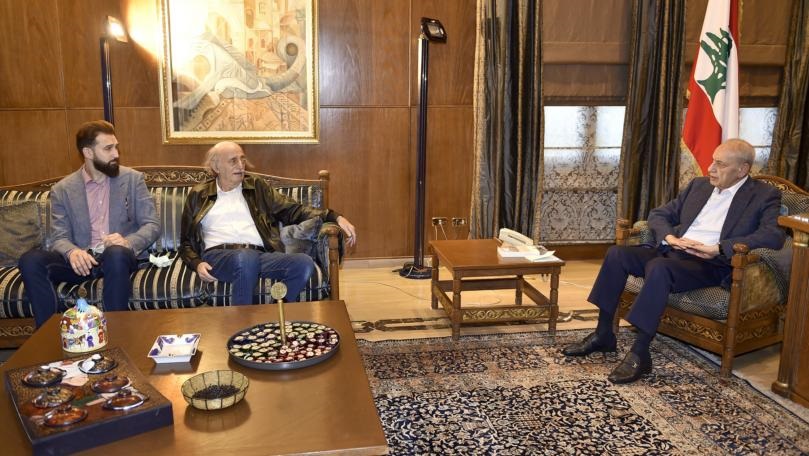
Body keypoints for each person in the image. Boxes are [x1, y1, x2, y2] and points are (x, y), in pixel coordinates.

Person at [562, 138, 785, 384]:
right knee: (617, 254)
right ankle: (603, 334)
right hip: (673, 251)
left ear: (742, 169)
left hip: (709, 263)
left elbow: (773, 236)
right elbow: (659, 214)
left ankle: (640, 352)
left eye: (720, 164)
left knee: (659, 268)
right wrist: (669, 237)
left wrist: (718, 248)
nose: (710, 168)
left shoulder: (764, 195)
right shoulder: (699, 186)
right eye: (712, 161)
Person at [19, 120, 160, 328]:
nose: (116, 154)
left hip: (117, 258)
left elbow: (152, 224)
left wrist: (127, 242)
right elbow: (59, 236)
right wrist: (72, 252)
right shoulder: (63, 190)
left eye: (116, 147)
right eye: (108, 148)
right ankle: (47, 335)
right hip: (82, 261)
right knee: (30, 260)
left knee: (115, 253)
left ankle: (116, 333)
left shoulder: (132, 179)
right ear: (88, 152)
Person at [179, 141, 357, 304]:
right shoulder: (198, 194)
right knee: (245, 257)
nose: (241, 165)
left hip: (258, 256)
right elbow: (186, 242)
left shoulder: (256, 187)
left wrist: (333, 216)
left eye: (242, 159)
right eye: (233, 161)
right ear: (216, 166)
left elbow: (293, 210)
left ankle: (274, 313)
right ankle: (240, 323)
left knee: (303, 263)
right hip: (218, 258)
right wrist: (196, 263)